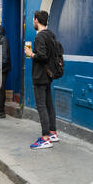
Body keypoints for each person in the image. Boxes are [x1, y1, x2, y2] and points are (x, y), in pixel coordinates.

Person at [25, 10, 59, 149]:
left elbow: (43, 56)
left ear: (37, 20)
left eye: (33, 19)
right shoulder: (51, 34)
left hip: (40, 75)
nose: (33, 21)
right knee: (49, 104)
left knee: (41, 106)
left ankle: (45, 138)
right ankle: (52, 132)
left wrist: (31, 53)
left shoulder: (40, 36)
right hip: (49, 75)